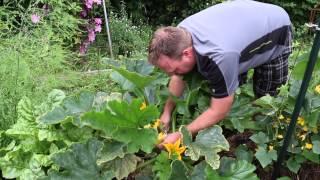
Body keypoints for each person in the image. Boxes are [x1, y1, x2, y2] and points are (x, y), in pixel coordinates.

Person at [148, 0, 292, 146]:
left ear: (187, 54)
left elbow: (219, 110)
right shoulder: (178, 36)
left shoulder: (220, 56)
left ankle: (264, 139)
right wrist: (166, 113)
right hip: (240, 29)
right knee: (225, 81)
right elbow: (178, 77)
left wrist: (180, 135)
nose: (172, 74)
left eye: (174, 69)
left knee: (267, 98)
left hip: (276, 30)